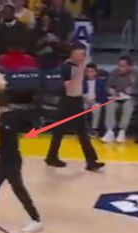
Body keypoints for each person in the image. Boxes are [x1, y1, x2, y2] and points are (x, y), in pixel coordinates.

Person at [0, 91, 42, 233]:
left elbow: (8, 144)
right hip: (4, 160)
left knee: (18, 190)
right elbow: (3, 144)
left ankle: (36, 219)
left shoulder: (10, 118)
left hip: (11, 161)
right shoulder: (4, 117)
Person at [45, 43, 105, 171]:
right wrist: (79, 73)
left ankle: (91, 161)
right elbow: (69, 89)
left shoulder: (80, 66)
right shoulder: (67, 67)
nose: (82, 57)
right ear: (72, 54)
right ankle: (51, 157)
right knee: (59, 131)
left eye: (83, 54)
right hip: (67, 102)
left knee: (83, 133)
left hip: (77, 102)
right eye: (79, 54)